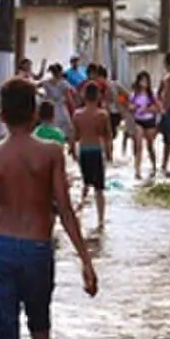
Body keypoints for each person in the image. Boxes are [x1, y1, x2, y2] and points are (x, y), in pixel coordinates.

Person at [0, 76, 98, 339]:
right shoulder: (50, 152)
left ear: (2, 116)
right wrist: (85, 260)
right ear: (35, 114)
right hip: (37, 248)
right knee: (40, 328)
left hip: (2, 248)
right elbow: (64, 209)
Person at [72, 81, 113, 229]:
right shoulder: (102, 114)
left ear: (84, 96)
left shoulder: (77, 114)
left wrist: (72, 151)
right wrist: (109, 154)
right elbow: (108, 136)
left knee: (85, 184)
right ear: (98, 96)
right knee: (99, 188)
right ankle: (101, 220)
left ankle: (78, 214)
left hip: (83, 150)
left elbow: (74, 137)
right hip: (96, 150)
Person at [127, 71, 160, 179]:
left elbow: (158, 108)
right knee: (139, 146)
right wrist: (133, 107)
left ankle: (154, 166)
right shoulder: (134, 95)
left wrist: (148, 109)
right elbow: (129, 107)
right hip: (138, 121)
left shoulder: (152, 95)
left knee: (150, 146)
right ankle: (137, 171)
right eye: (142, 80)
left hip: (150, 121)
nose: (144, 83)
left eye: (146, 80)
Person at [38, 64, 76, 140]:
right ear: (60, 72)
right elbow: (69, 99)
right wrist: (74, 110)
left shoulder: (46, 82)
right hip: (61, 109)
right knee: (66, 132)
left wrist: (41, 95)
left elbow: (34, 87)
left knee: (49, 130)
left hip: (49, 109)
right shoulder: (63, 83)